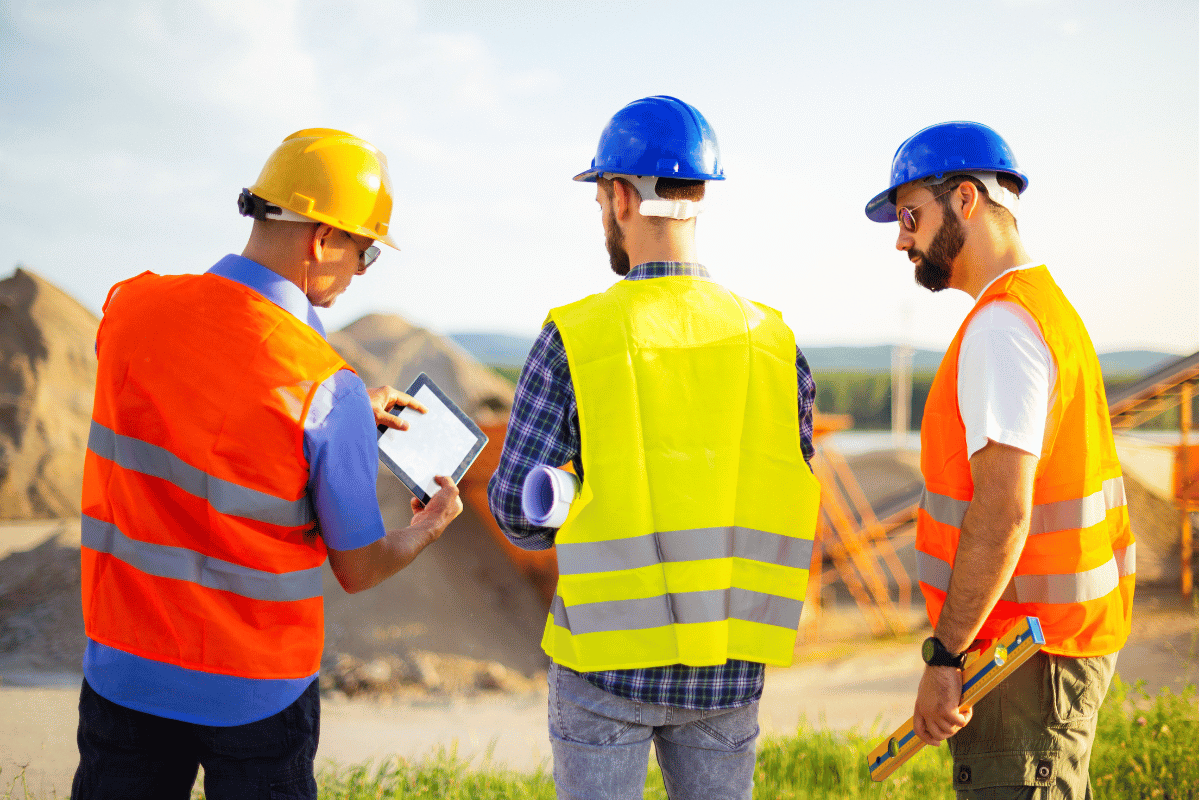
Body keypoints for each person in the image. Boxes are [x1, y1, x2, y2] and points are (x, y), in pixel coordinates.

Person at [73, 128, 463, 799]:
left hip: (125, 670)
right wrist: (426, 527)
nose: (363, 269)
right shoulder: (322, 386)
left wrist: (337, 418)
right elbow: (360, 566)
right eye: (365, 249)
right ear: (321, 239)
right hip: (253, 695)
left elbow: (200, 412)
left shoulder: (130, 307)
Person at [487, 96, 822, 800]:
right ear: (699, 196)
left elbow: (519, 516)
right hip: (730, 666)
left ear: (617, 196)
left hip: (606, 668)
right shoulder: (773, 341)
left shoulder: (576, 335)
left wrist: (577, 485)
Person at [864, 121, 1135, 798]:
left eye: (909, 216)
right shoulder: (1041, 309)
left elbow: (1004, 510)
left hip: (1021, 661)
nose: (902, 239)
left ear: (964, 200)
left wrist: (946, 657)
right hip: (1048, 648)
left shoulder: (1001, 327)